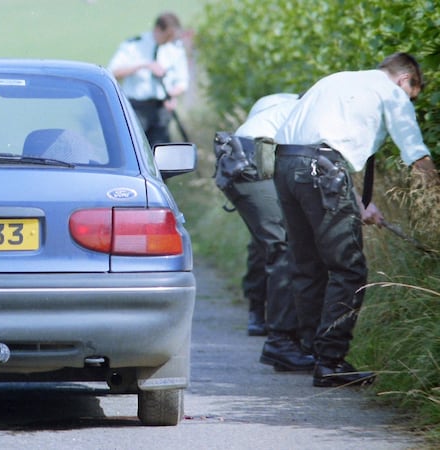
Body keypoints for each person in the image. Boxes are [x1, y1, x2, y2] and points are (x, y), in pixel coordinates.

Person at [273, 52, 440, 387]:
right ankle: (331, 361)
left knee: (308, 264)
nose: (407, 100)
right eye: (412, 95)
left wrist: (353, 197)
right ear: (406, 80)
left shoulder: (338, 79)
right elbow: (415, 152)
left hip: (286, 165)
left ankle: (312, 352)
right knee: (349, 267)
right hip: (321, 170)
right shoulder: (391, 92)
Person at [213, 93, 315, 373]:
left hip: (244, 161)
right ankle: (281, 342)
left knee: (272, 243)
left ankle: (281, 330)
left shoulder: (283, 103)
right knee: (283, 245)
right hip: (250, 163)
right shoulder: (316, 109)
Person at [107, 12, 189, 146]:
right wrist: (143, 66)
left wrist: (172, 95)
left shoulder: (175, 50)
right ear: (157, 30)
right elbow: (113, 72)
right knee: (134, 146)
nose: (170, 39)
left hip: (161, 108)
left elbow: (182, 81)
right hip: (137, 107)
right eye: (168, 35)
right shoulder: (133, 45)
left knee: (161, 149)